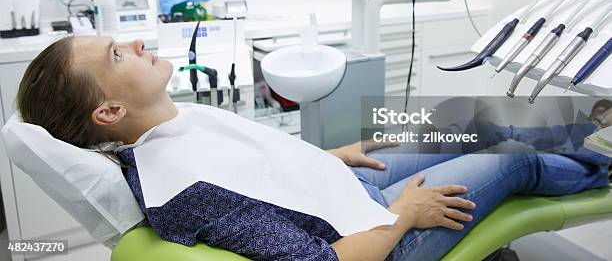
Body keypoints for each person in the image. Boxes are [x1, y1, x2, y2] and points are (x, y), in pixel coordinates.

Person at [16, 36, 610, 261]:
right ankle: (603, 160)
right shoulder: (184, 191)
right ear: (109, 112)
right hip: (375, 237)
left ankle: (587, 124)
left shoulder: (177, 125)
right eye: (117, 55)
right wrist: (404, 216)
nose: (137, 43)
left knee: (463, 120)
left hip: (346, 192)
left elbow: (258, 176)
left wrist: (331, 156)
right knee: (512, 156)